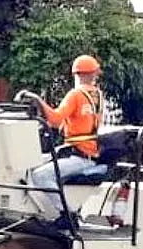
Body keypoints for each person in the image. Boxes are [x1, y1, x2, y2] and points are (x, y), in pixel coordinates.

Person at [18, 55, 106, 222]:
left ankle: (67, 214)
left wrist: (37, 100)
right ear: (94, 74)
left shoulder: (76, 95)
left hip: (78, 156)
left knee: (40, 176)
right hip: (86, 153)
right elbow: (77, 123)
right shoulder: (98, 96)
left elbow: (55, 119)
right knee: (34, 162)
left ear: (77, 74)